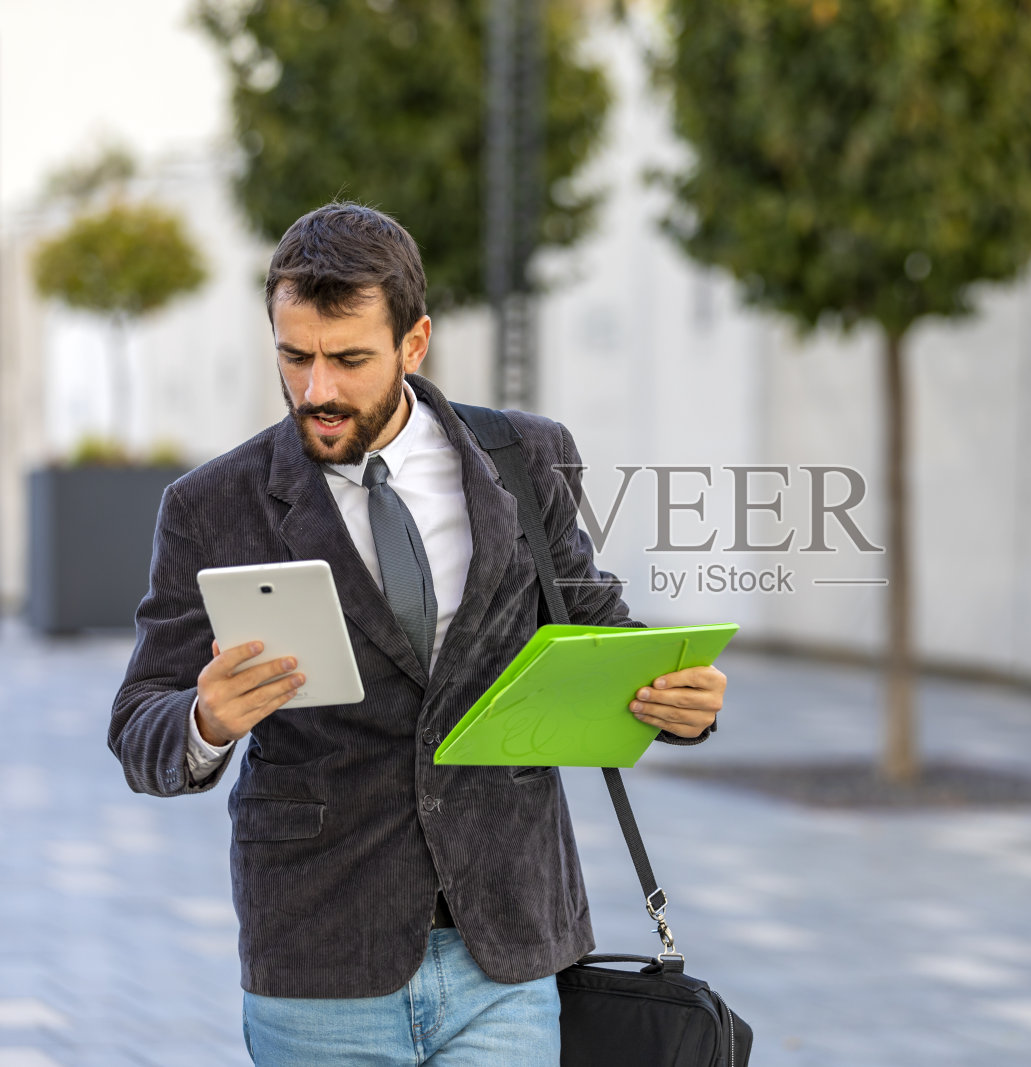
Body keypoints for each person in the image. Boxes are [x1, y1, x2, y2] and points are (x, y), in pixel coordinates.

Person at [107, 201, 726, 1065]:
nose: (317, 389)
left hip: (505, 948)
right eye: (295, 357)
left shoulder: (527, 457)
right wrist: (205, 722)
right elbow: (139, 721)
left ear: (415, 341)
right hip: (320, 959)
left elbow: (595, 631)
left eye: (349, 358)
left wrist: (676, 697)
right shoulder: (213, 503)